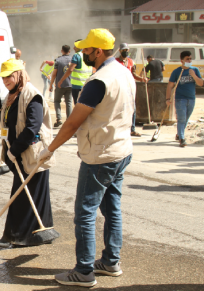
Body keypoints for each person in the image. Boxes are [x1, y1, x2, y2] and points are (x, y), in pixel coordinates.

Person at [41, 29, 135, 287]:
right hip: (121, 150)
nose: (83, 54)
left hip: (101, 155)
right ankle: (110, 261)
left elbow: (72, 123)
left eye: (87, 50)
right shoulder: (124, 72)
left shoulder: (99, 81)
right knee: (112, 208)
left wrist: (50, 148)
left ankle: (83, 271)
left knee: (85, 212)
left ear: (99, 51)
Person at [0, 58, 59, 248]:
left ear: (19, 75)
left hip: (32, 154)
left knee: (24, 196)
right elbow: (6, 121)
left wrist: (14, 149)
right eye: (3, 78)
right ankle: (40, 233)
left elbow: (32, 128)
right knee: (30, 195)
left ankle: (18, 236)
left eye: (9, 76)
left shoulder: (31, 95)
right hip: (18, 154)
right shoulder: (13, 95)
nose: (5, 81)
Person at [166, 50, 203, 147]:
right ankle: (182, 138)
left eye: (190, 58)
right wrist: (167, 98)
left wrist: (193, 75)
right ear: (182, 60)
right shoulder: (177, 71)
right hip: (180, 99)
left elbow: (201, 83)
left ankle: (179, 133)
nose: (189, 60)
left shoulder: (195, 70)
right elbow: (170, 86)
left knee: (186, 118)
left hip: (191, 98)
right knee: (181, 119)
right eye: (187, 59)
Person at [116, 43, 147, 137]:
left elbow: (133, 74)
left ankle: (132, 129)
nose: (125, 52)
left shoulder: (131, 62)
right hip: (119, 87)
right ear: (119, 51)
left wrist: (142, 79)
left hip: (130, 88)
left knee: (132, 108)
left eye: (126, 50)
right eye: (123, 50)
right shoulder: (115, 61)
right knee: (119, 108)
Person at [57, 40, 94, 104]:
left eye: (75, 46)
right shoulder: (88, 55)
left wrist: (61, 80)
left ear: (80, 46)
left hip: (77, 86)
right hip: (87, 85)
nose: (74, 48)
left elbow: (70, 69)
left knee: (77, 105)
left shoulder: (77, 55)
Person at [49, 45, 73, 127]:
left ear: (62, 51)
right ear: (69, 51)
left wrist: (51, 84)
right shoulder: (73, 60)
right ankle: (69, 120)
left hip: (60, 85)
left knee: (56, 101)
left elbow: (54, 74)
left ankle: (59, 119)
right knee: (69, 102)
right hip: (70, 85)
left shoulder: (58, 60)